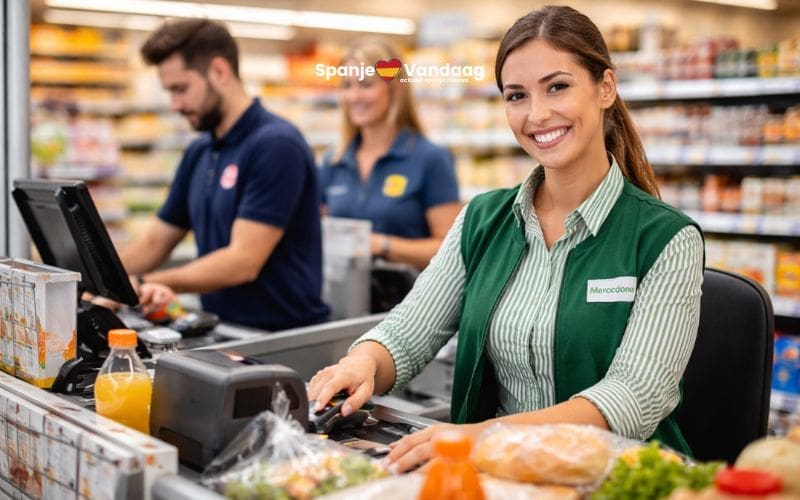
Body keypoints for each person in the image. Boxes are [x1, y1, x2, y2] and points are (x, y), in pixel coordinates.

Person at [308, 5, 705, 473]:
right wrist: (364, 362)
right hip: (498, 476)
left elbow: (632, 399)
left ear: (605, 88)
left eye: (557, 87)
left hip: (614, 478)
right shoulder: (482, 219)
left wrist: (479, 437)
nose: (537, 114)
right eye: (516, 95)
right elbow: (410, 331)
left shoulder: (666, 239)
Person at [120, 19, 329, 331]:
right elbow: (155, 242)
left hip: (283, 337)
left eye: (181, 89)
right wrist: (99, 282)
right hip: (224, 329)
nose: (174, 105)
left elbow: (242, 262)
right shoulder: (200, 150)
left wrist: (142, 284)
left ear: (219, 71)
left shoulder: (276, 145)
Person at [318, 40, 461, 271]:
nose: (354, 97)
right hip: (344, 299)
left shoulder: (431, 159)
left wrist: (383, 245)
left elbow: (451, 250)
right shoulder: (333, 161)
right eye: (347, 85)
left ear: (395, 89)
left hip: (413, 300)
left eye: (365, 85)